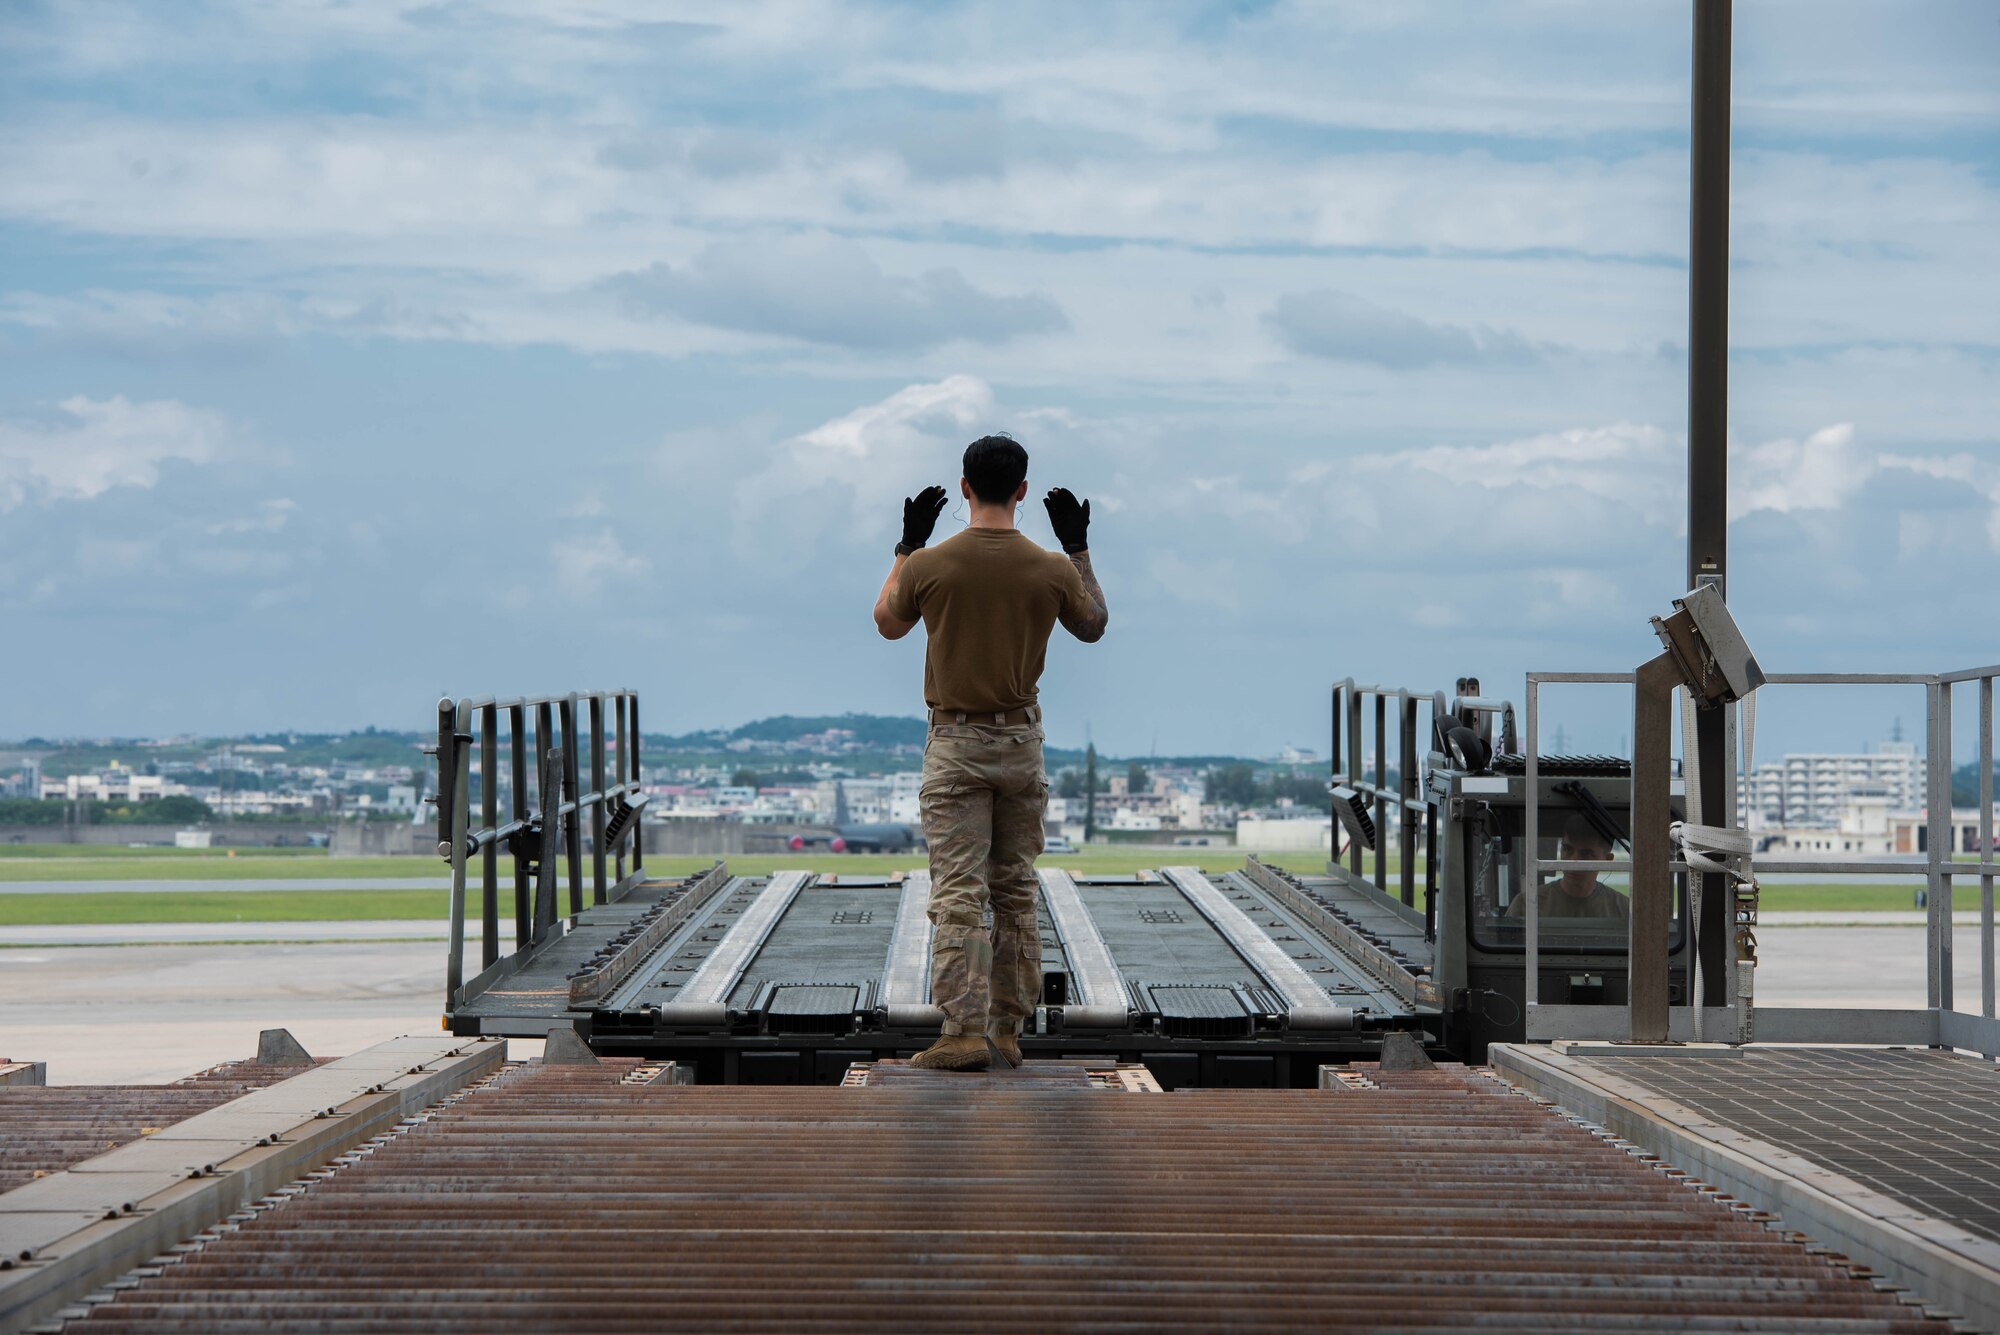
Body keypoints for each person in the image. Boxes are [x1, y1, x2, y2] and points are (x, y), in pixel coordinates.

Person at [872, 434, 1108, 1071]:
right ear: (1024, 490)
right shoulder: (1050, 567)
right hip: (1021, 744)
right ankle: (1008, 1028)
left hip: (956, 742)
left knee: (958, 893)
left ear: (965, 487)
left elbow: (887, 622)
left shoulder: (930, 564)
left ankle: (963, 1032)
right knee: (1014, 891)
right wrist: (1078, 548)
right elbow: (1093, 625)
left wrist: (906, 545)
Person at [1506, 813, 1630, 921]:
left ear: (1607, 860)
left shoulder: (1624, 909)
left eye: (1586, 853)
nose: (1573, 860)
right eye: (1567, 849)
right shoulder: (1525, 904)